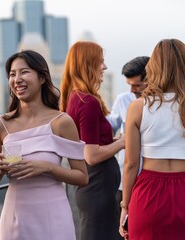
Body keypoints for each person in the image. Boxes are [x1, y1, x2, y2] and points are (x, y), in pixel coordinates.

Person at [0, 50, 88, 240]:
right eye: (12, 74)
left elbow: (82, 177)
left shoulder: (61, 122)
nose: (17, 79)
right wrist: (0, 170)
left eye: (24, 72)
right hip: (15, 217)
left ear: (42, 77)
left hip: (53, 215)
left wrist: (47, 167)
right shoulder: (1, 124)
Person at [120, 38, 185, 239]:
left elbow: (131, 164)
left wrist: (125, 206)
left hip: (148, 192)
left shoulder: (138, 107)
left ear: (153, 67)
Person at [59, 41, 125, 240]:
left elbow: (87, 141)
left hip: (95, 187)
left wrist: (111, 140)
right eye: (100, 62)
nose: (104, 67)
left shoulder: (75, 97)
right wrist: (123, 142)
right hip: (97, 186)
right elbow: (91, 155)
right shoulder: (87, 102)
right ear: (87, 64)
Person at [106, 56, 149, 205]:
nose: (132, 90)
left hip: (152, 179)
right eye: (129, 85)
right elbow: (109, 127)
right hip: (125, 181)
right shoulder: (123, 99)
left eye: (137, 85)